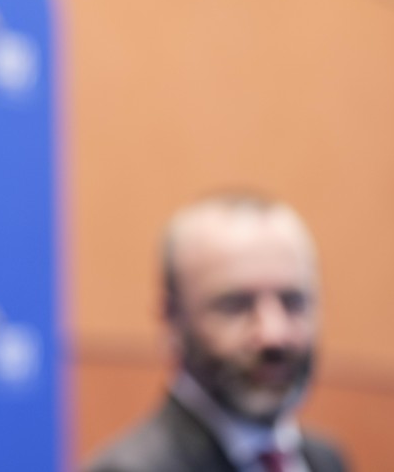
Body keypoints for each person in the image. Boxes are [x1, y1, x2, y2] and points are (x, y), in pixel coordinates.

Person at [85, 192, 349, 472]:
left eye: (293, 302)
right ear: (172, 320)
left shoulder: (324, 459)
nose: (273, 334)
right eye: (236, 306)